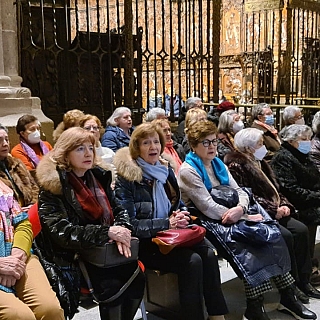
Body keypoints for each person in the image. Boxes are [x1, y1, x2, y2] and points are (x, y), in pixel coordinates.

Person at [177, 120, 317, 320]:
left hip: (234, 213)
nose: (212, 147)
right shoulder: (188, 170)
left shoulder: (218, 163)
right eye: (205, 143)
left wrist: (241, 209)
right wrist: (241, 214)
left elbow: (240, 191)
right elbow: (207, 206)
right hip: (211, 219)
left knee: (272, 234)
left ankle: (286, 294)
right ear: (193, 145)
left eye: (214, 141)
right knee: (249, 244)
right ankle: (256, 305)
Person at [114, 122, 228, 320]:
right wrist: (167, 223)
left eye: (156, 142)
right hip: (147, 243)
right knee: (192, 262)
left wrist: (181, 215)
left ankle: (217, 315)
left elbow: (178, 203)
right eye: (146, 143)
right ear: (136, 147)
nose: (153, 147)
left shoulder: (165, 171)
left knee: (208, 255)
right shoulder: (128, 179)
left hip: (173, 236)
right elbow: (129, 224)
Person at [35, 127, 145, 320]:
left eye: (91, 147)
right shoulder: (53, 187)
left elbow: (119, 210)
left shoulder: (97, 176)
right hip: (73, 256)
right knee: (112, 286)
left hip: (106, 249)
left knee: (136, 279)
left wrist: (123, 230)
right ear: (65, 154)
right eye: (79, 149)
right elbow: (62, 232)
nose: (88, 153)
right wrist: (107, 232)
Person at [224, 128, 320, 303]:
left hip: (275, 209)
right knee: (287, 236)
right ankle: (290, 286)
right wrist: (272, 209)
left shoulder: (259, 161)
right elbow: (248, 195)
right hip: (257, 214)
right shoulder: (237, 165)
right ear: (248, 148)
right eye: (260, 144)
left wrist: (283, 204)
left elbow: (276, 188)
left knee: (301, 230)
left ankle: (303, 280)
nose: (264, 147)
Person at [0, 178, 64, 319]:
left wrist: (17, 255)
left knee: (50, 309)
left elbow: (22, 223)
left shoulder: (2, 186)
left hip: (16, 254)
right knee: (18, 315)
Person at [271, 124, 320, 260]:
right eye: (304, 139)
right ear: (291, 141)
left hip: (311, 199)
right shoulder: (283, 158)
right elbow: (291, 189)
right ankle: (307, 266)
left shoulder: (303, 155)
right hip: (297, 204)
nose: (308, 142)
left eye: (309, 138)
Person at [0, 125, 38, 208]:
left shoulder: (16, 163)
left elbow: (34, 187)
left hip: (29, 211)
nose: (5, 144)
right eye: (0, 141)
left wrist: (33, 204)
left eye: (6, 139)